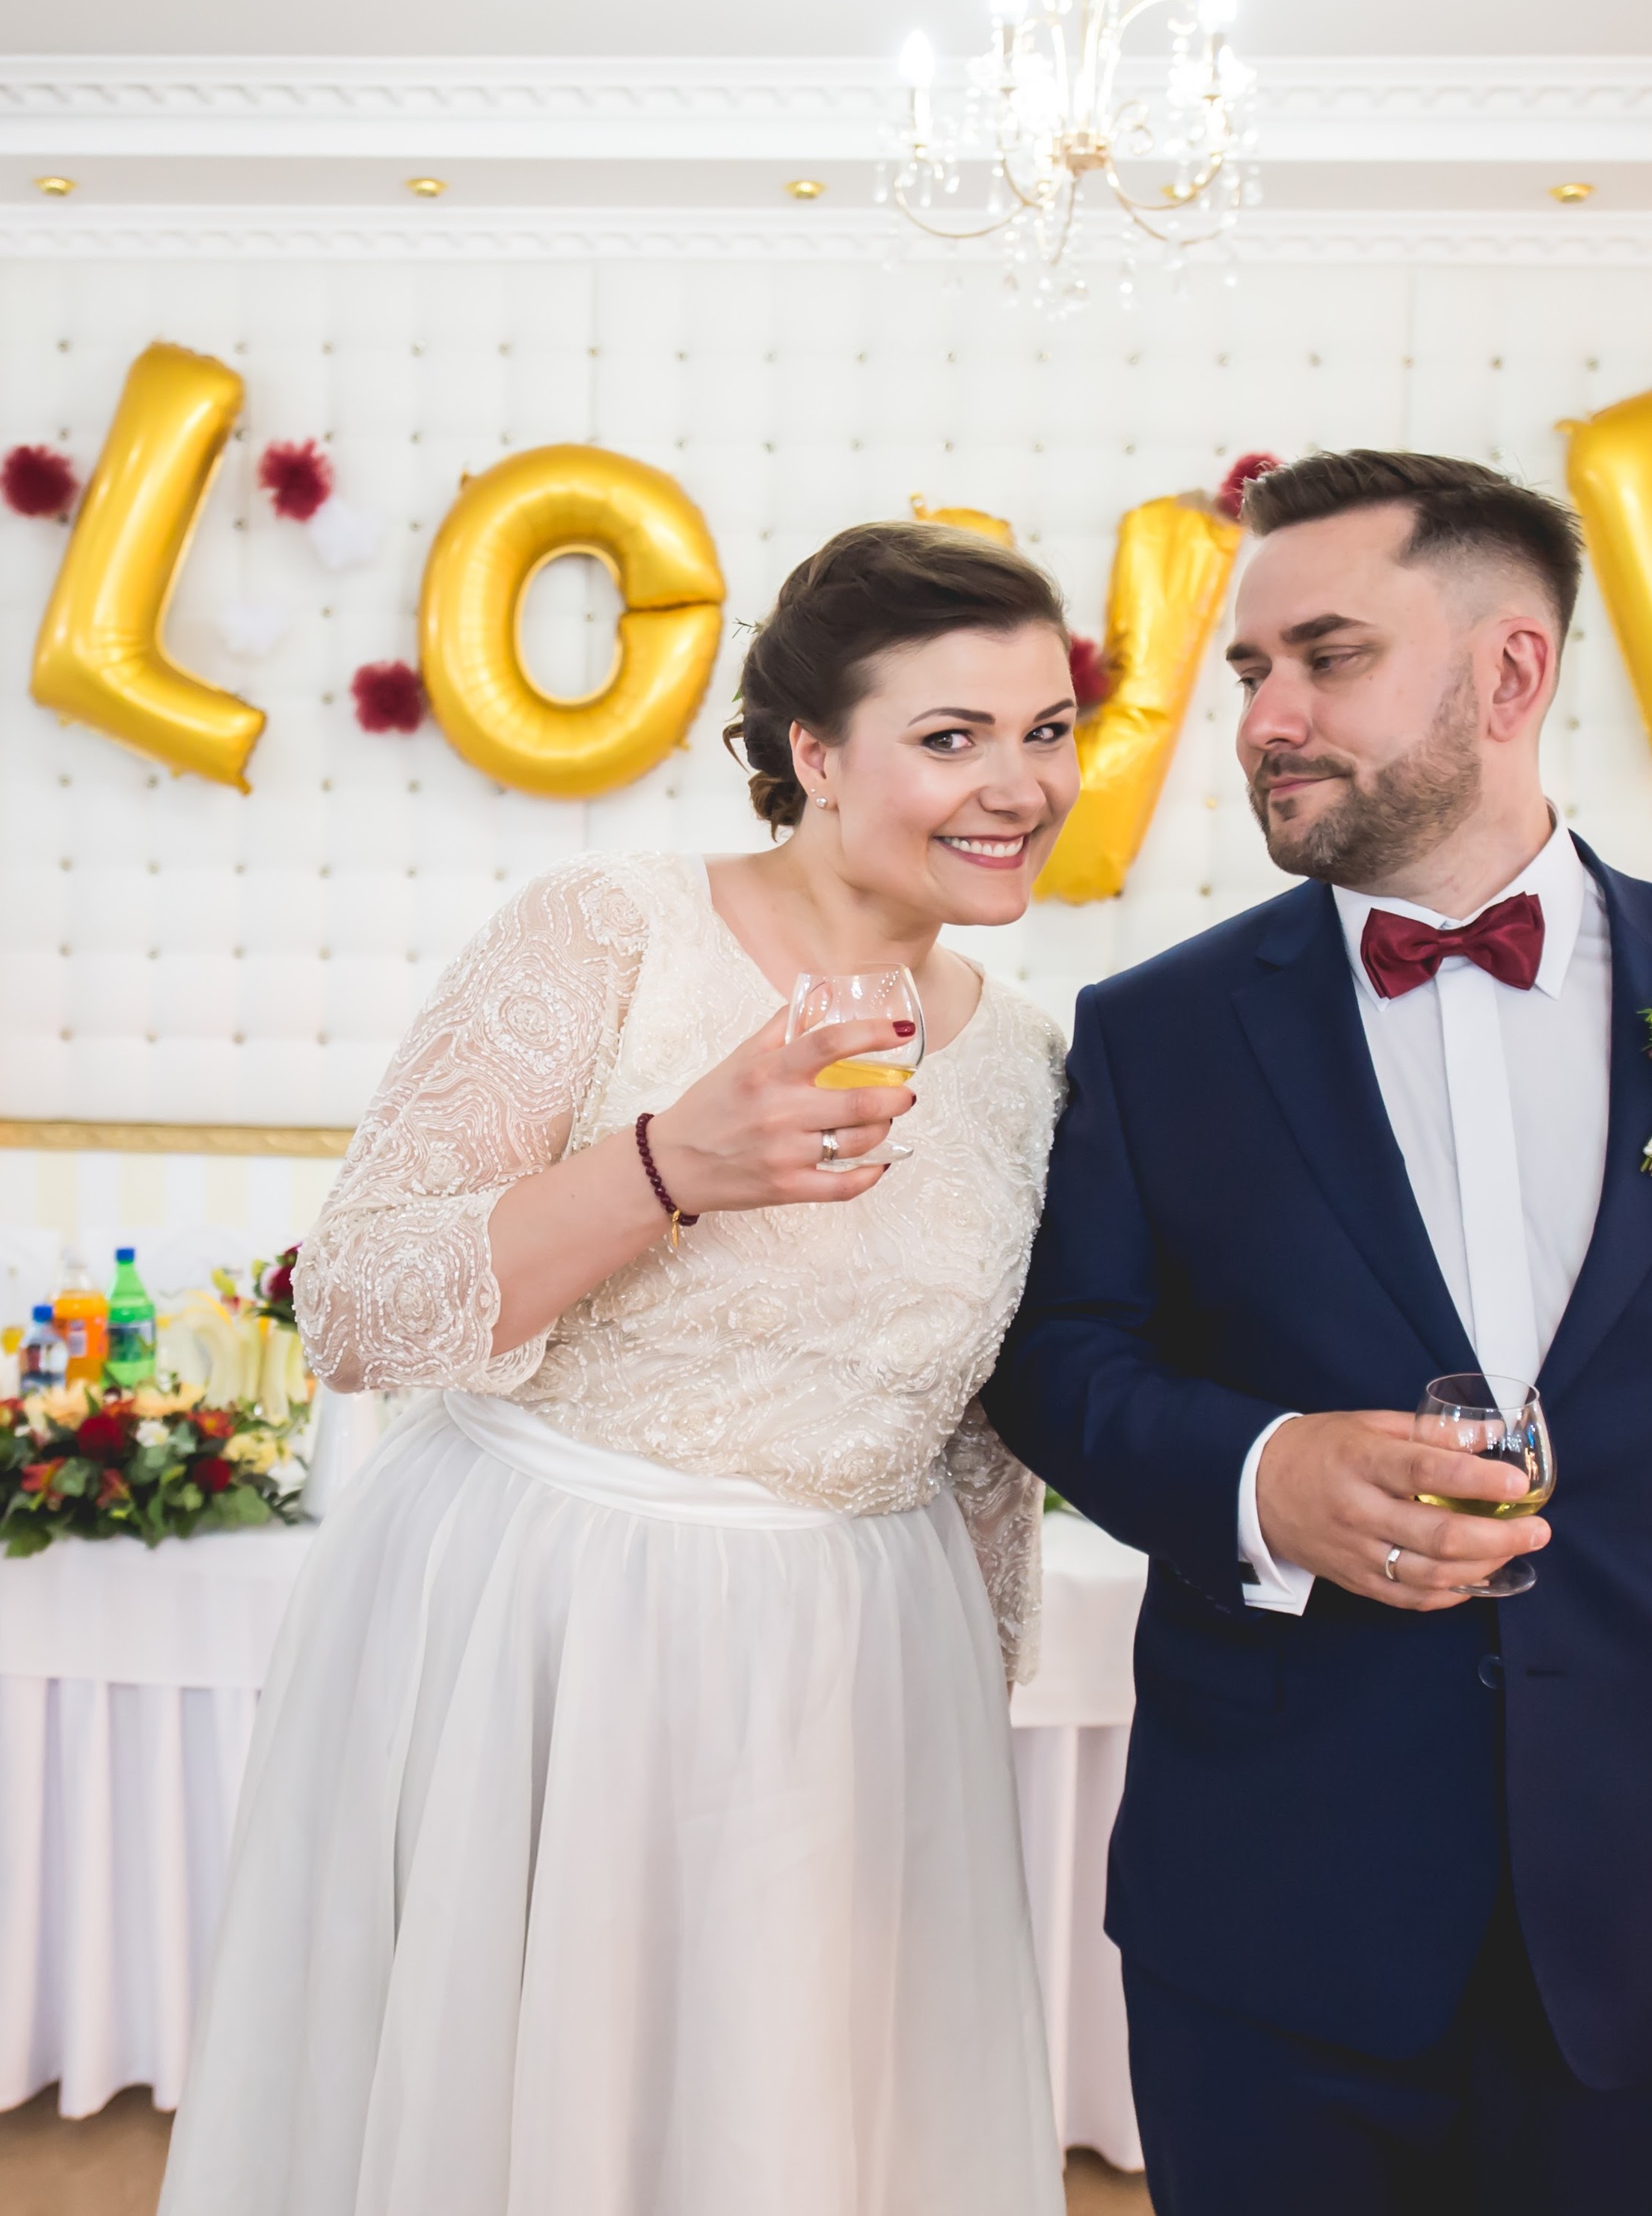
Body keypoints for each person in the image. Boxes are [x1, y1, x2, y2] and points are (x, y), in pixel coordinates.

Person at [985, 451, 1652, 2215]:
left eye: (1327, 657)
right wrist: (1261, 1474)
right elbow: (1060, 1363)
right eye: (1249, 671)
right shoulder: (1155, 1034)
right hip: (1275, 1919)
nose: (1263, 718)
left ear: (1510, 671)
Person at [158, 522, 1082, 2216]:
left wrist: (965, 1687)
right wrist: (665, 1165)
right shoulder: (610, 932)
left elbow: (973, 1437)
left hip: (859, 1675)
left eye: (1047, 730)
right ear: (813, 756)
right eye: (952, 736)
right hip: (545, 1631)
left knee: (786, 2129)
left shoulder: (1027, 1059)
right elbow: (353, 1304)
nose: (1017, 785)